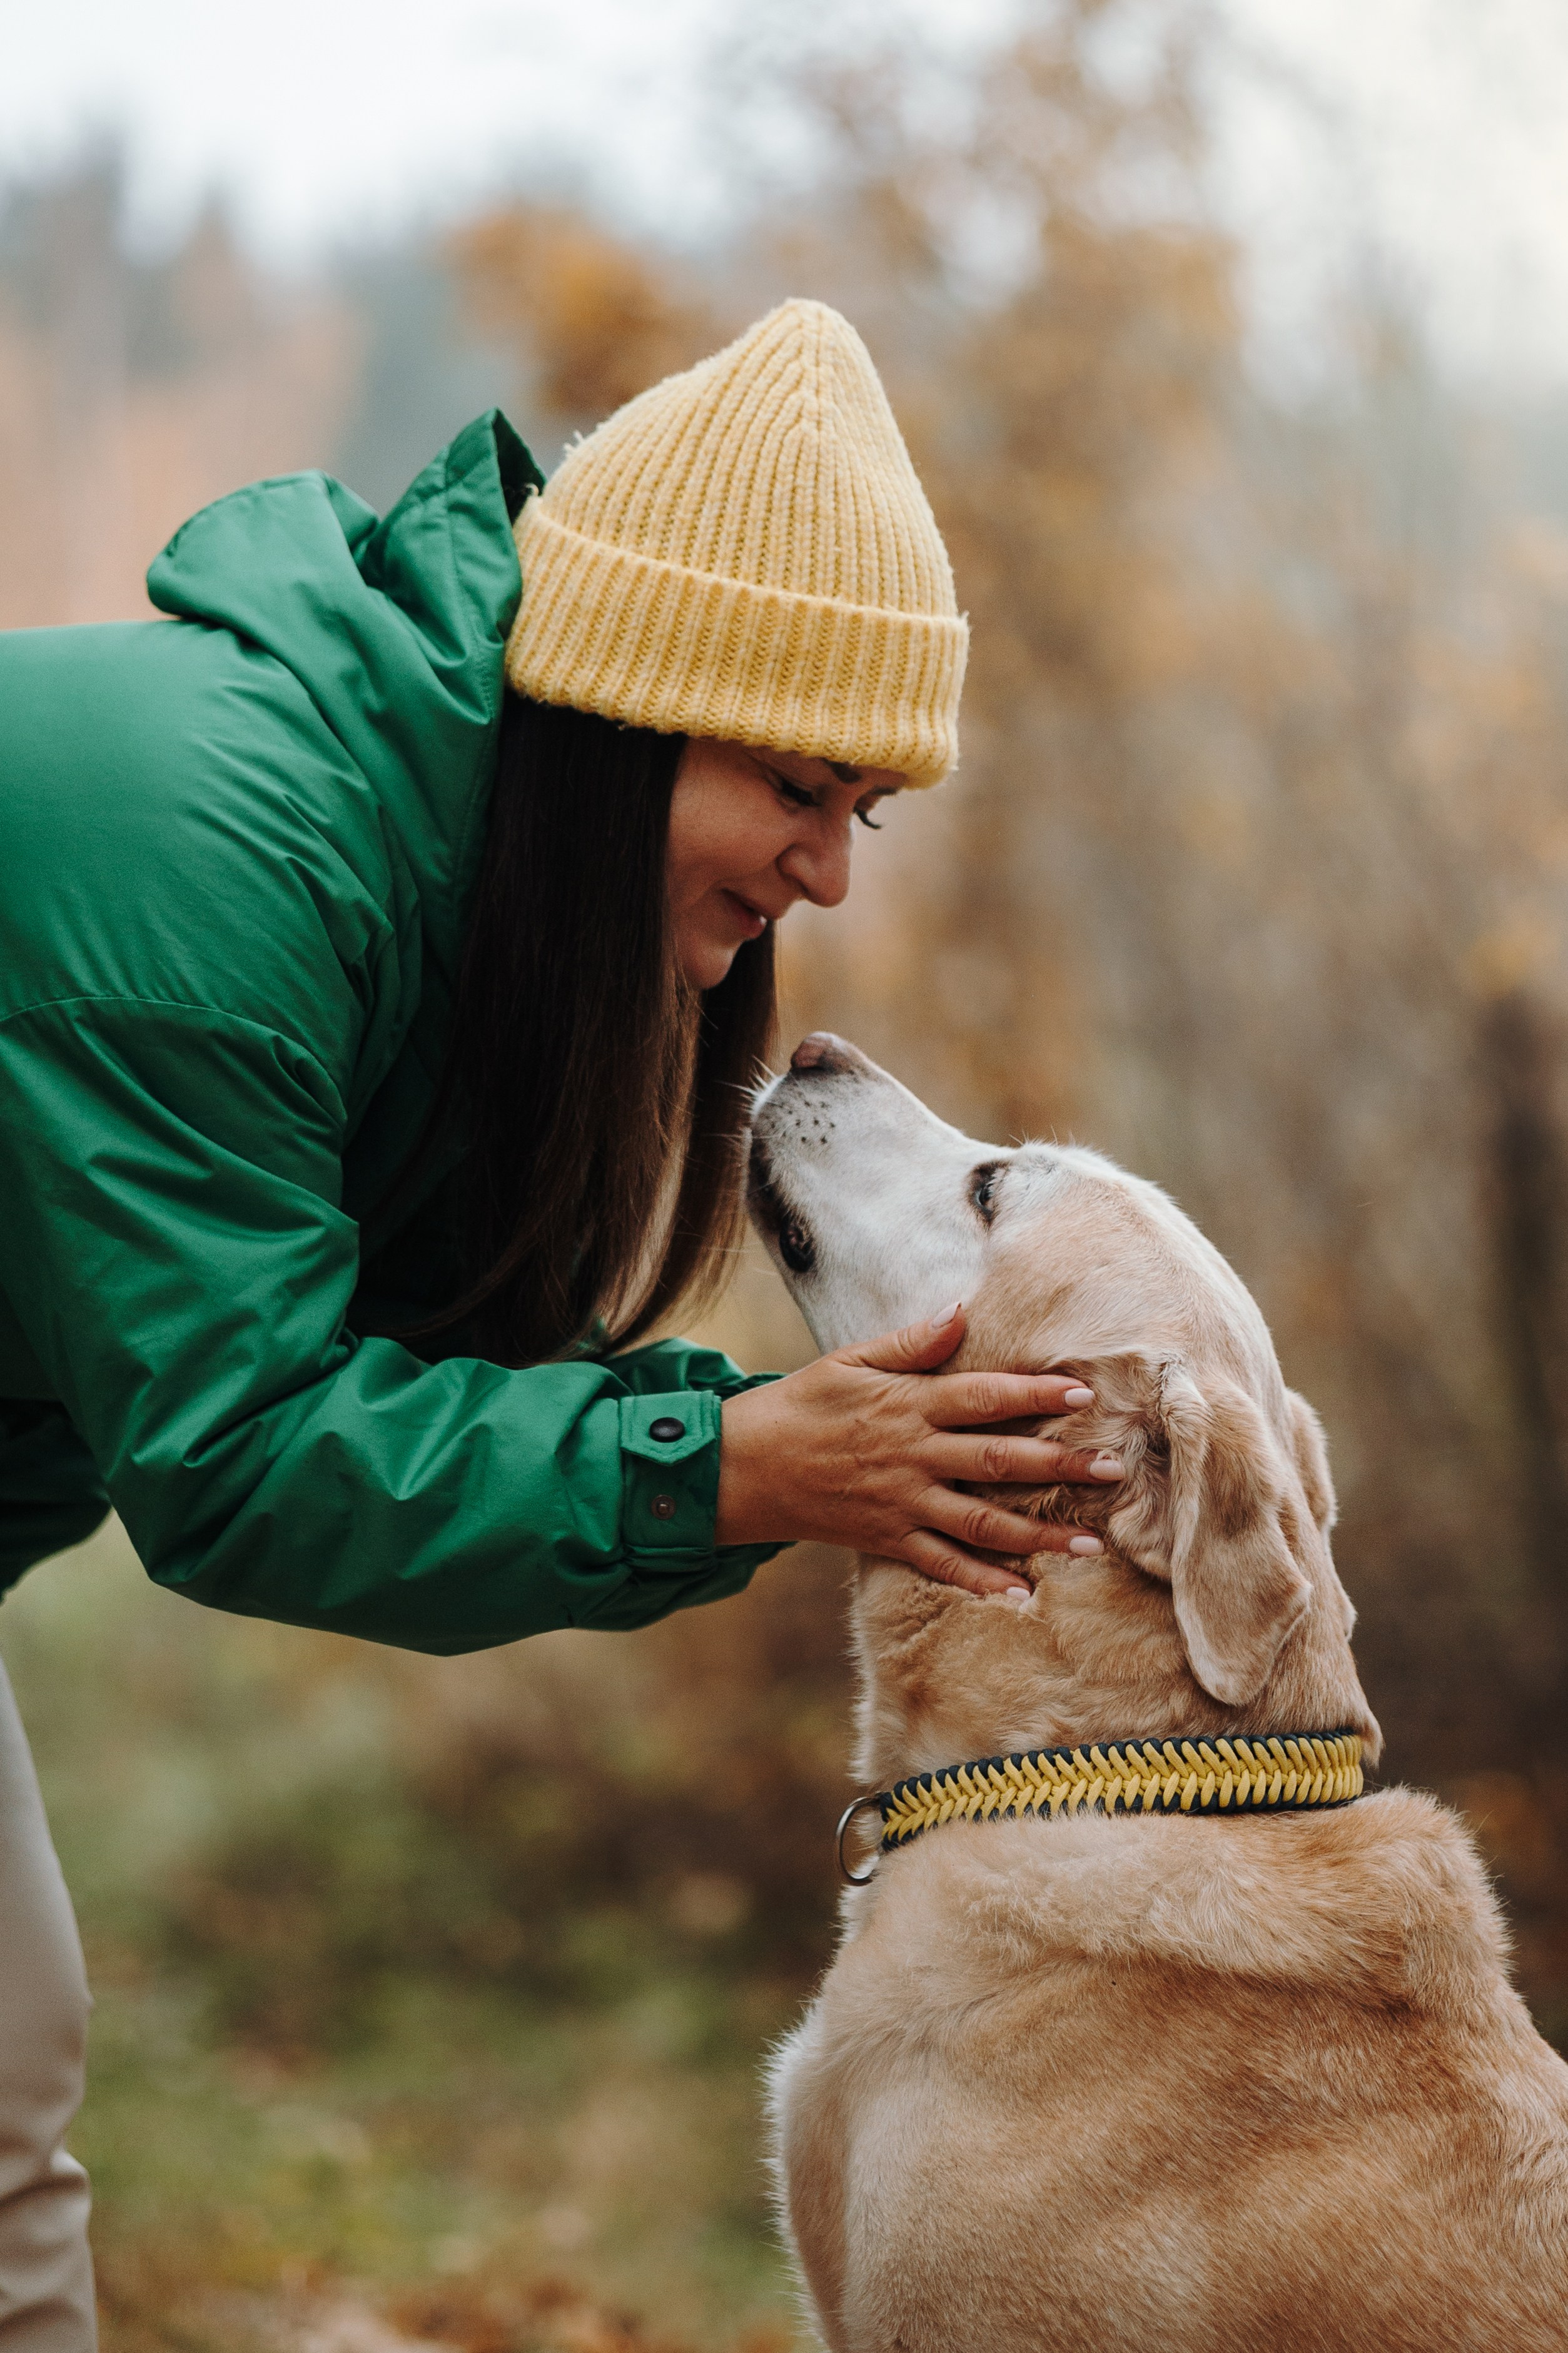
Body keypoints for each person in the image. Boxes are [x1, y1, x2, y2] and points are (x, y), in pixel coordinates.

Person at [0, 298, 1124, 2346]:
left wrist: (753, 1445)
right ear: (619, 713)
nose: (831, 873)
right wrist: (732, 1468)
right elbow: (245, 1457)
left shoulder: (437, 885)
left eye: (864, 807)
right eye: (795, 780)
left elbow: (407, 1362)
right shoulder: (217, 871)